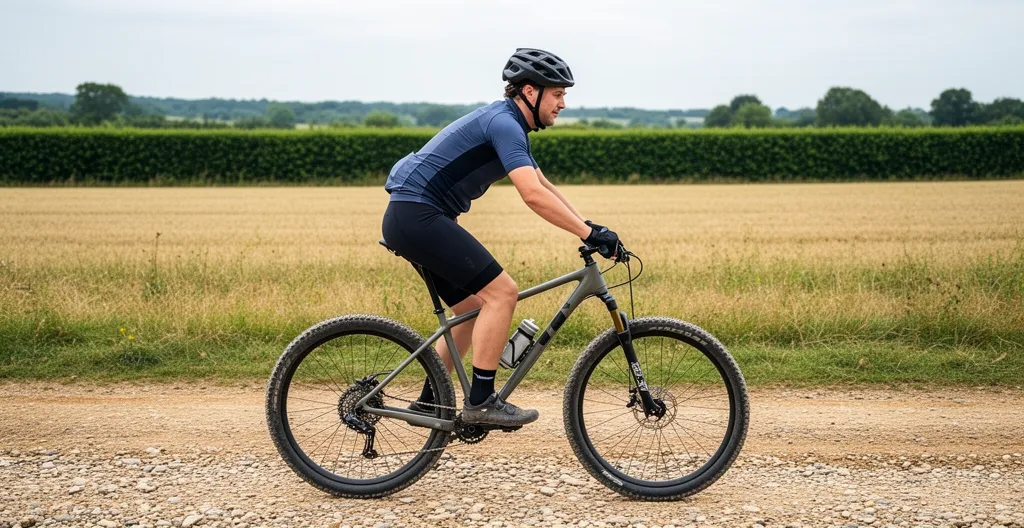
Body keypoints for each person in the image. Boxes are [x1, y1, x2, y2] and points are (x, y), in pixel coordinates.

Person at [381, 48, 621, 427]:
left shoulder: (509, 124)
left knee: (472, 309)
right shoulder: (505, 124)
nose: (563, 104)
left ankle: (431, 401)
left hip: (414, 216)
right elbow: (532, 195)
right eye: (557, 94)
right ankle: (481, 402)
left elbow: (544, 185)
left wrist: (591, 227)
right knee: (502, 292)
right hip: (417, 215)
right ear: (530, 91)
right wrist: (589, 233)